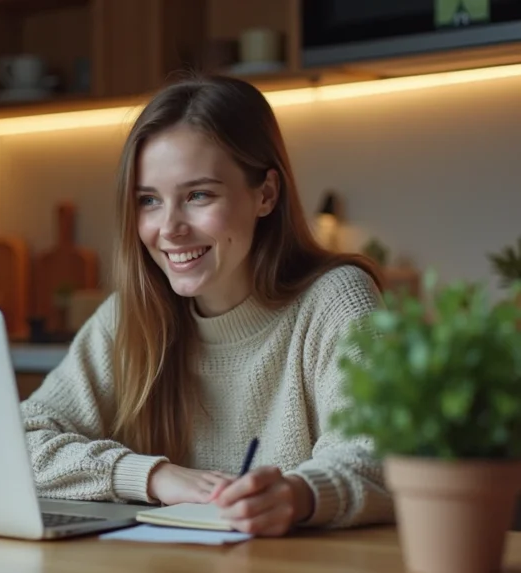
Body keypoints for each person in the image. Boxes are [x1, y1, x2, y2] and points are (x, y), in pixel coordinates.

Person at [20, 73, 395, 537]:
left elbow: (380, 458)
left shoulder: (336, 300)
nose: (170, 228)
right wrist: (154, 477)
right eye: (149, 201)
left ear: (266, 195)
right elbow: (16, 441)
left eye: (198, 195)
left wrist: (298, 495)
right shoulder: (129, 315)